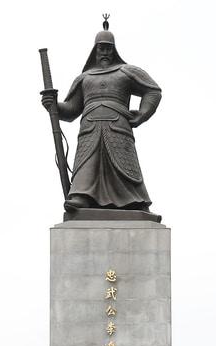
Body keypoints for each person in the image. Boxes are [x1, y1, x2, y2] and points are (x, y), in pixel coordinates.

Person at [40, 20, 162, 213]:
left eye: (108, 49)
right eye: (101, 49)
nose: (105, 53)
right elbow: (71, 109)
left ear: (114, 50)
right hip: (89, 127)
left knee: (124, 163)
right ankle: (81, 196)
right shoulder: (84, 78)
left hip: (118, 126)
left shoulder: (127, 71)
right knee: (87, 161)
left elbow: (153, 91)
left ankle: (135, 201)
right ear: (94, 50)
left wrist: (143, 113)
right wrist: (53, 105)